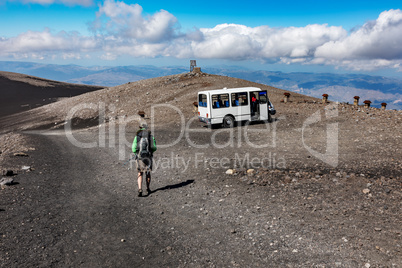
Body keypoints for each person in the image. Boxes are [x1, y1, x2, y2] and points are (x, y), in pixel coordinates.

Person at [132, 122, 157, 197]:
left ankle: (140, 189)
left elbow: (133, 148)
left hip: (140, 157)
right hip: (148, 157)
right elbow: (154, 148)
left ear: (140, 128)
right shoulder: (150, 136)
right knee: (148, 173)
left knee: (140, 173)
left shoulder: (137, 137)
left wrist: (136, 153)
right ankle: (148, 188)